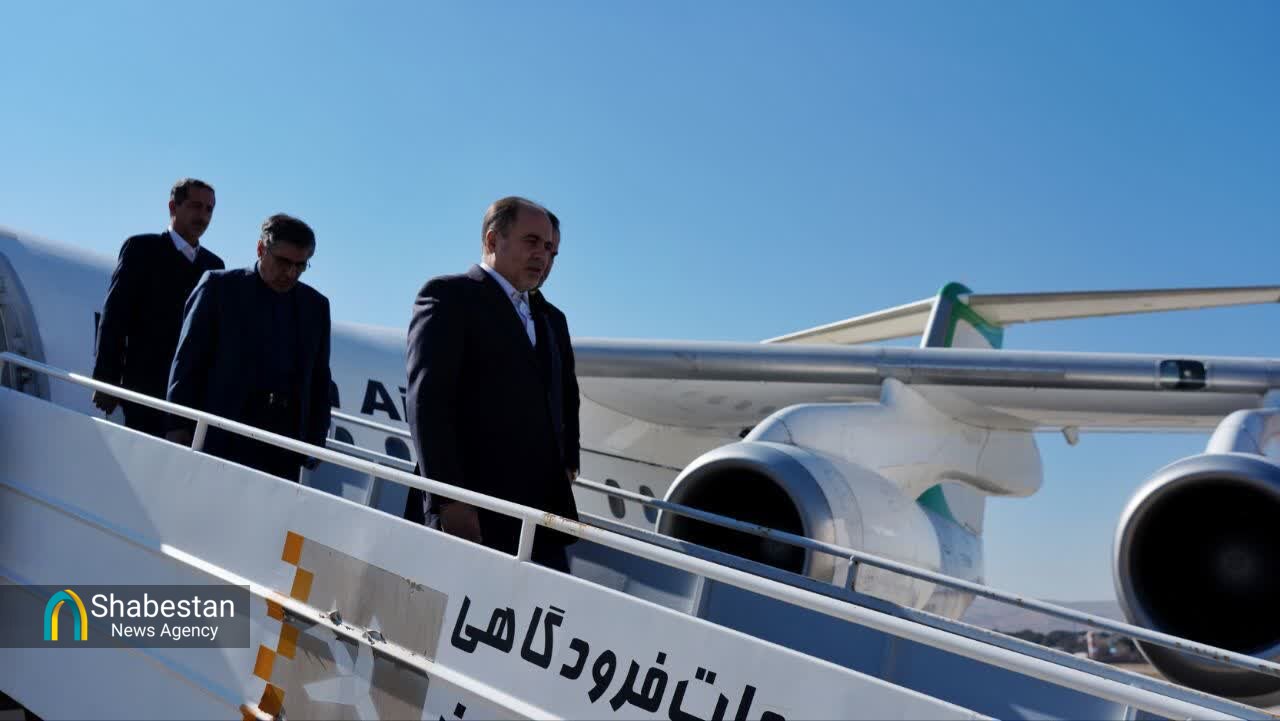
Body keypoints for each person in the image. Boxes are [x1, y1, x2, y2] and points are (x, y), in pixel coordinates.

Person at [406, 196, 578, 571]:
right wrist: (449, 501)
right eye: (532, 242)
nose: (543, 256)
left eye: (550, 248)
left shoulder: (553, 320)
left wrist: (569, 463)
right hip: (473, 513)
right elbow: (428, 405)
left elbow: (566, 396)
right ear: (492, 240)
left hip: (540, 518)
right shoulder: (449, 297)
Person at [166, 214, 331, 482]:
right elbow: (187, 361)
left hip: (282, 447)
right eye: (283, 262)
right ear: (260, 249)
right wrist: (177, 424)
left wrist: (315, 442)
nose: (291, 273)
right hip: (220, 435)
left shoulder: (316, 307)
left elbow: (320, 380)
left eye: (301, 265)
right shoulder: (219, 288)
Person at [92, 178, 225, 436]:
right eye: (196, 206)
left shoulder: (214, 267)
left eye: (209, 209)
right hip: (141, 388)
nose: (203, 216)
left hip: (186, 398)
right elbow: (115, 317)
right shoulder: (141, 249)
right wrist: (106, 380)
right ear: (173, 207)